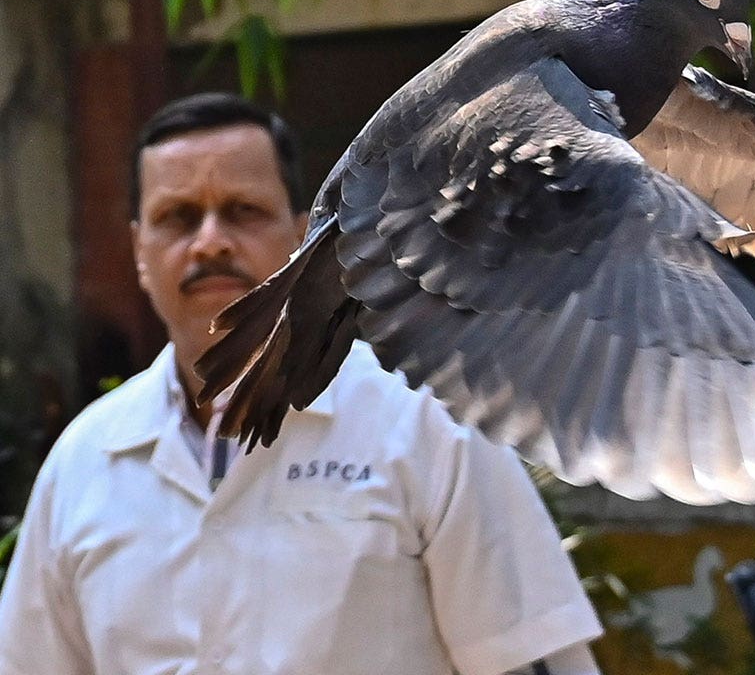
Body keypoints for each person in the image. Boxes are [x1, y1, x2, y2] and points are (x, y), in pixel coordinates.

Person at [0, 93, 603, 675]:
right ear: (138, 248)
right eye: (178, 218)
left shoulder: (426, 425)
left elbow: (530, 659)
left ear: (302, 233)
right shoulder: (84, 464)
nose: (209, 240)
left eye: (242, 210)